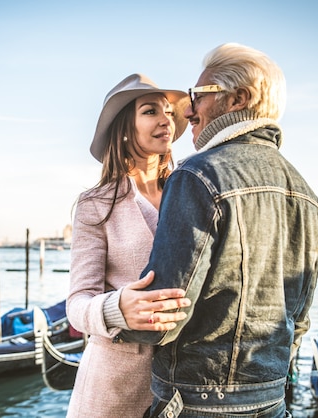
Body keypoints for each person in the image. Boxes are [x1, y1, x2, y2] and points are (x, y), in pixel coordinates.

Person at [118, 43, 318, 418]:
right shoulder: (308, 195)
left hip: (198, 401)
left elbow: (162, 319)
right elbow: (298, 320)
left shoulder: (195, 175)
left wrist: (114, 318)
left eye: (198, 96)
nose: (187, 110)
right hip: (272, 400)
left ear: (237, 100)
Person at [66, 73, 193, 418]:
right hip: (114, 389)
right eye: (151, 111)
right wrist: (117, 308)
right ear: (124, 129)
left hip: (188, 384)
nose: (166, 119)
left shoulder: (195, 193)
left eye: (168, 111)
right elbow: (77, 303)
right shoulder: (95, 203)